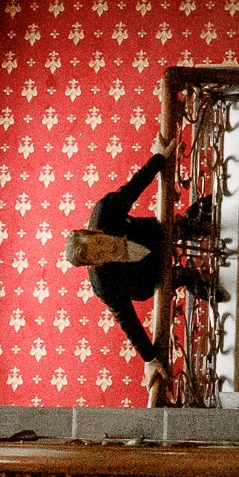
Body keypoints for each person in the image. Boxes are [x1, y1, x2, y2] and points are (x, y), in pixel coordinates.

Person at [63, 128, 188, 394]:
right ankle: (192, 279)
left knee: (190, 223)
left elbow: (133, 188)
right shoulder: (103, 284)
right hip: (151, 278)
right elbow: (128, 321)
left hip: (155, 236)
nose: (104, 250)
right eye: (97, 256)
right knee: (182, 277)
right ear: (92, 265)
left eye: (97, 242)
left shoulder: (104, 212)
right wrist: (150, 359)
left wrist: (158, 158)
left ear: (92, 232)